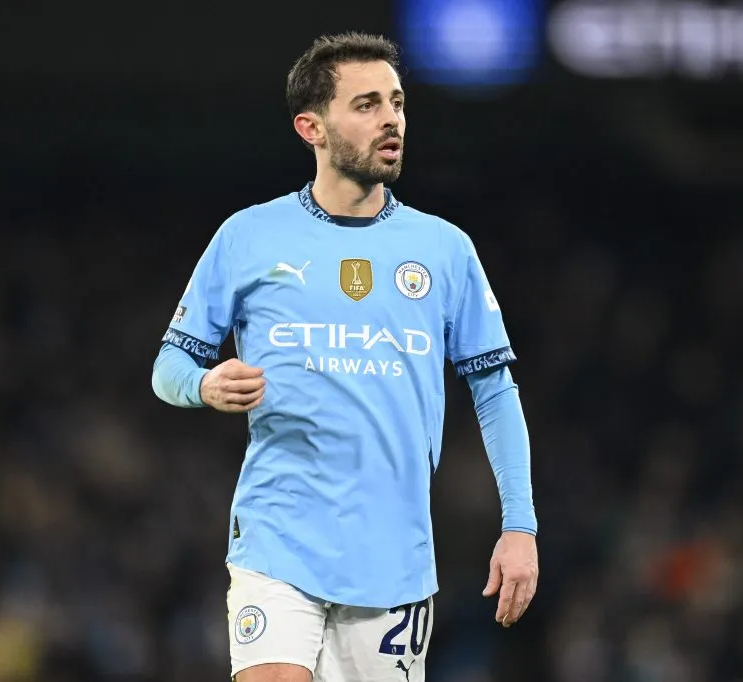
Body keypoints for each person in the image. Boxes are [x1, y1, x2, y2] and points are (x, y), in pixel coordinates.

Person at [151, 32, 539, 682]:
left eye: (397, 102)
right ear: (312, 127)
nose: (390, 118)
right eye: (365, 105)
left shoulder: (444, 250)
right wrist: (205, 384)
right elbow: (170, 368)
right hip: (279, 537)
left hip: (394, 557)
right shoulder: (249, 238)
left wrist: (520, 526)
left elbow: (494, 391)